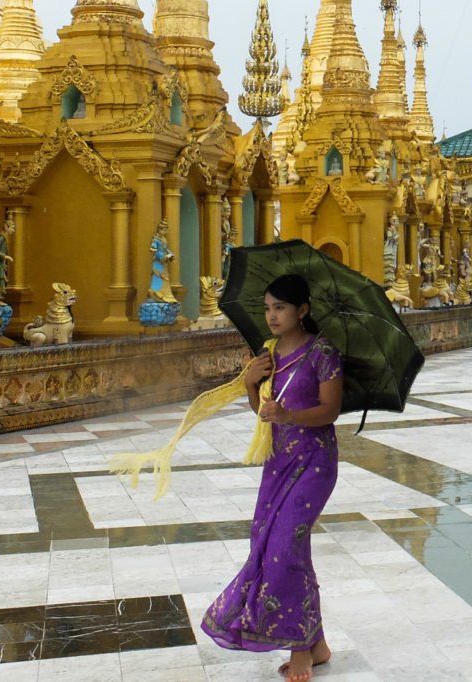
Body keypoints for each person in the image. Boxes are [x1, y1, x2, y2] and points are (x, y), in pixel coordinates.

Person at [202, 274, 342, 682]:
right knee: (273, 544)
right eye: (267, 308)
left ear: (302, 310)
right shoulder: (267, 354)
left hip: (315, 462)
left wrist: (289, 416)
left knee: (286, 544)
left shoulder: (323, 353)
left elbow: (329, 411)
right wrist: (250, 385)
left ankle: (300, 647)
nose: (271, 315)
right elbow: (264, 411)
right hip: (278, 462)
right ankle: (317, 643)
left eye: (280, 307)